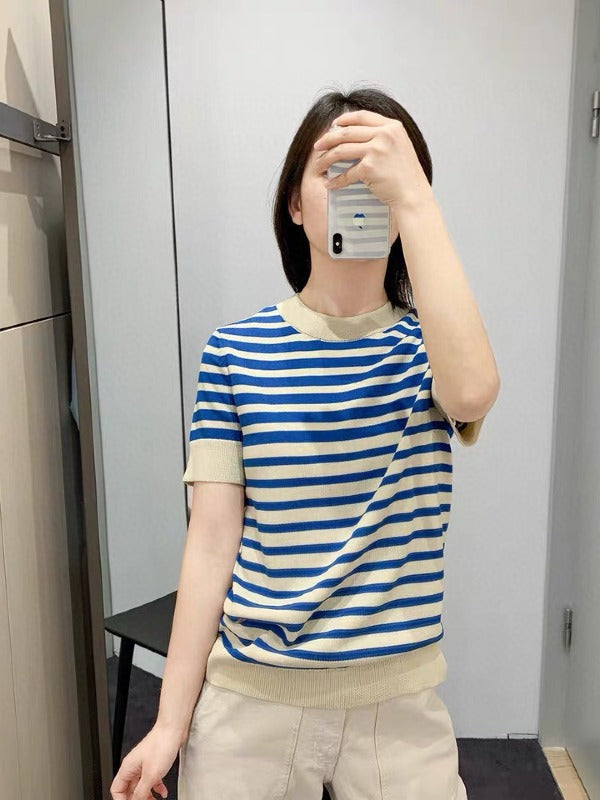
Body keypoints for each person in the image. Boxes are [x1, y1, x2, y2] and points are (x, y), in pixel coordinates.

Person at [110, 86, 500, 800]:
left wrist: (416, 199)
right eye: (335, 170)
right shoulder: (235, 353)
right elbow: (210, 544)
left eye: (378, 173)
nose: (357, 187)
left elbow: (473, 394)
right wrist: (169, 723)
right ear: (294, 203)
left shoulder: (433, 350)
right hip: (251, 696)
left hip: (397, 706)